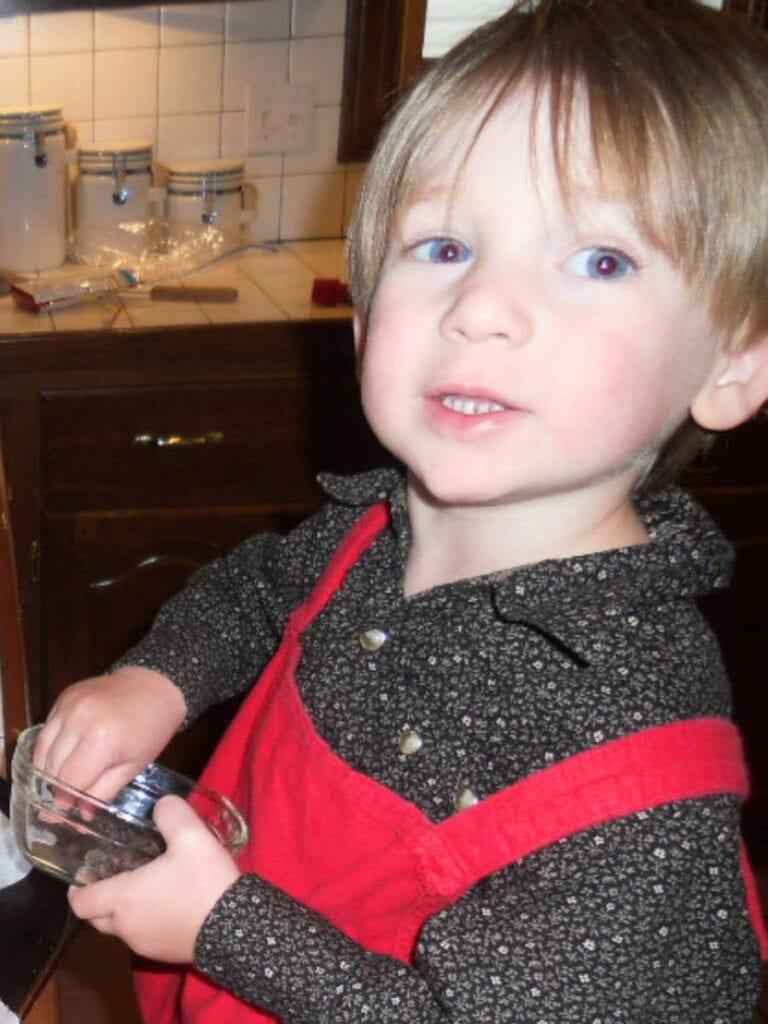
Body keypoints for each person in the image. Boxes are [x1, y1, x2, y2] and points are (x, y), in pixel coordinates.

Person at [33, 1, 768, 1021]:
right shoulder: (377, 532)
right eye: (442, 247)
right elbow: (258, 589)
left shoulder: (640, 771)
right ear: (368, 314)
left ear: (736, 363)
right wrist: (156, 679)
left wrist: (226, 928)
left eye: (600, 260)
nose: (482, 308)